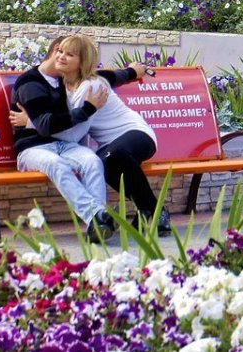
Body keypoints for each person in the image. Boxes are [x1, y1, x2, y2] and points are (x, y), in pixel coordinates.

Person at [11, 35, 171, 237]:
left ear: (81, 62)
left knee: (106, 158)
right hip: (39, 148)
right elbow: (109, 77)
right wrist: (131, 72)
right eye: (60, 52)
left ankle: (150, 211)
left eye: (69, 54)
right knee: (105, 159)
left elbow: (73, 131)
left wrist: (31, 122)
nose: (61, 57)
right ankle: (105, 217)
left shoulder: (89, 86)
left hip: (134, 133)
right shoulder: (54, 82)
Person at [11, 35, 114, 243]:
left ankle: (98, 225)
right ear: (57, 50)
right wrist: (87, 109)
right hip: (31, 149)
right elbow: (46, 125)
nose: (65, 58)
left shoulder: (64, 78)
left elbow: (104, 76)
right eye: (63, 53)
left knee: (92, 161)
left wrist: (131, 72)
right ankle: (98, 217)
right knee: (56, 164)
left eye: (71, 55)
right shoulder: (30, 83)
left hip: (64, 144)